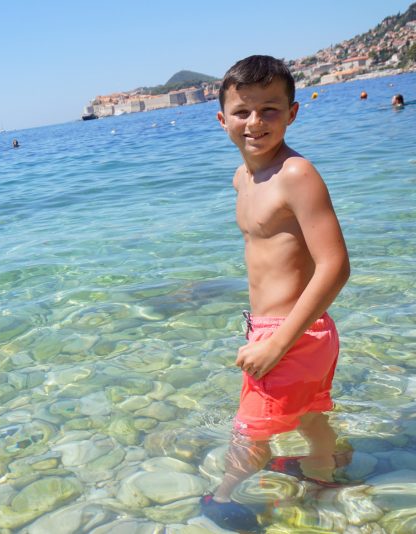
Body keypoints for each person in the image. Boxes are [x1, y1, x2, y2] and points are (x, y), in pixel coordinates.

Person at [202, 55, 351, 532]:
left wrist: (277, 342)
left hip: (292, 334)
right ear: (222, 118)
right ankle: (325, 470)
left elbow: (335, 266)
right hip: (294, 331)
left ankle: (221, 498)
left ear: (292, 113)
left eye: (270, 110)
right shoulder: (243, 177)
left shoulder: (295, 174)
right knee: (307, 414)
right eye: (243, 111)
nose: (255, 122)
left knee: (251, 427)